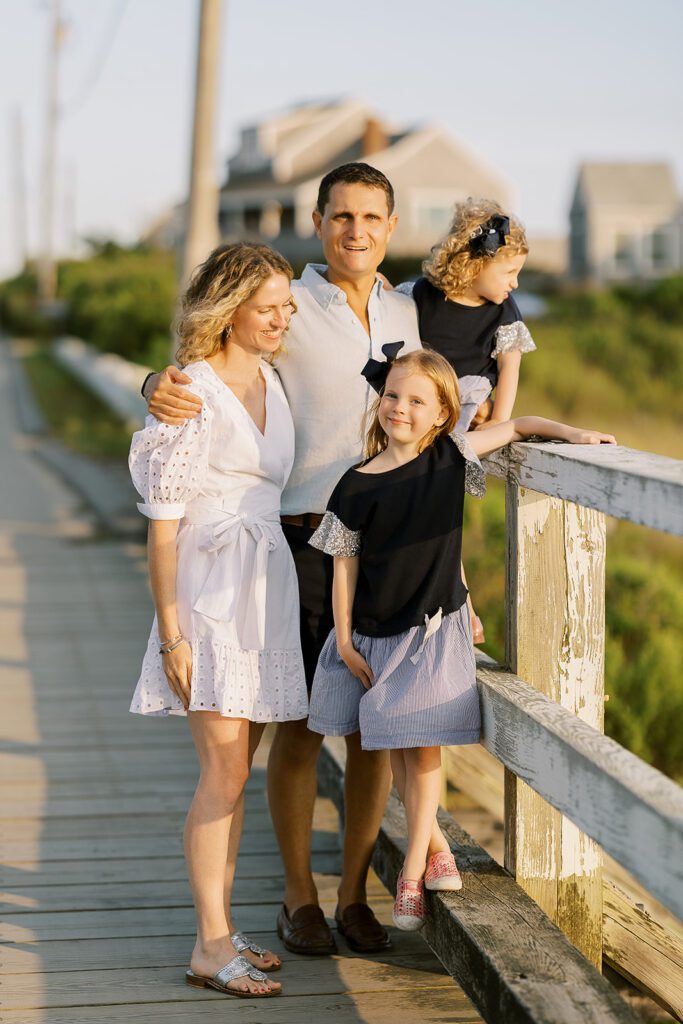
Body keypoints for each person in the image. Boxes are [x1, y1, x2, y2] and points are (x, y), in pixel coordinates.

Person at [141, 163, 421, 956]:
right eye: (340, 217)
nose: (356, 232)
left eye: (371, 218)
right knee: (297, 726)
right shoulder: (289, 304)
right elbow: (210, 363)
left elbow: (449, 397)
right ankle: (298, 901)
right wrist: (152, 385)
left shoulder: (409, 309)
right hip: (297, 542)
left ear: (391, 226)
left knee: (372, 728)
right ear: (319, 220)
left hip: (387, 548)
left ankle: (355, 896)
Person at [306, 343, 616, 930]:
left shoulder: (449, 457)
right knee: (400, 742)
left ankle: (410, 872)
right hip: (377, 633)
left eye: (417, 400)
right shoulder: (355, 483)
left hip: (434, 626)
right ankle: (438, 848)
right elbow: (342, 564)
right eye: (393, 395)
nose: (400, 407)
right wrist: (344, 640)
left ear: (443, 414)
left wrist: (574, 435)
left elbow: (519, 423)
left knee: (423, 748)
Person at [129, 242, 309, 998]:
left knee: (239, 774)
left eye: (286, 307)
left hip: (267, 588)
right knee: (224, 772)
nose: (280, 319)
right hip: (210, 595)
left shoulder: (273, 376)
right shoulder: (192, 393)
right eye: (266, 307)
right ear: (227, 309)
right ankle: (208, 944)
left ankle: (224, 930)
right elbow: (163, 525)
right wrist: (171, 633)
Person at [393, 199, 536, 644]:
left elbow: (509, 369)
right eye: (508, 273)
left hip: (461, 414)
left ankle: (462, 607)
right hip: (415, 410)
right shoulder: (420, 297)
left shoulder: (502, 313)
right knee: (415, 512)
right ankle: (439, 608)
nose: (514, 284)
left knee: (438, 509)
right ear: (475, 263)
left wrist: (500, 421)